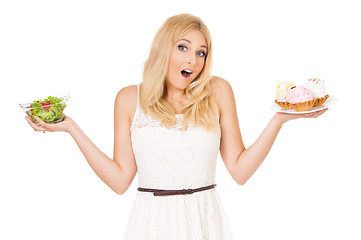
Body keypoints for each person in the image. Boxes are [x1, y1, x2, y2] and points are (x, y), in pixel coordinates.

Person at [25, 13, 327, 240]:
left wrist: (279, 120)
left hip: (205, 219)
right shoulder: (129, 98)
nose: (193, 60)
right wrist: (72, 128)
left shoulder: (218, 91)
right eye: (183, 47)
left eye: (201, 52)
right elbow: (119, 181)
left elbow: (240, 170)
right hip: (152, 223)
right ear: (163, 49)